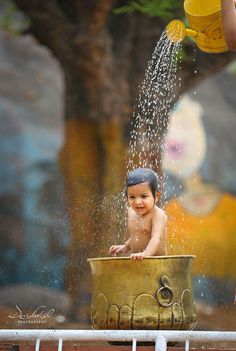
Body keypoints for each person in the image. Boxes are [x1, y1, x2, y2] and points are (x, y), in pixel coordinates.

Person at [109, 168, 167, 260]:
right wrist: (126, 246)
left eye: (144, 196)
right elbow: (137, 235)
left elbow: (156, 238)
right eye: (132, 197)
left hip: (157, 263)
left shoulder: (157, 215)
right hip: (138, 261)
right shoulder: (131, 212)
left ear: (156, 196)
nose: (137, 202)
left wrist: (146, 253)